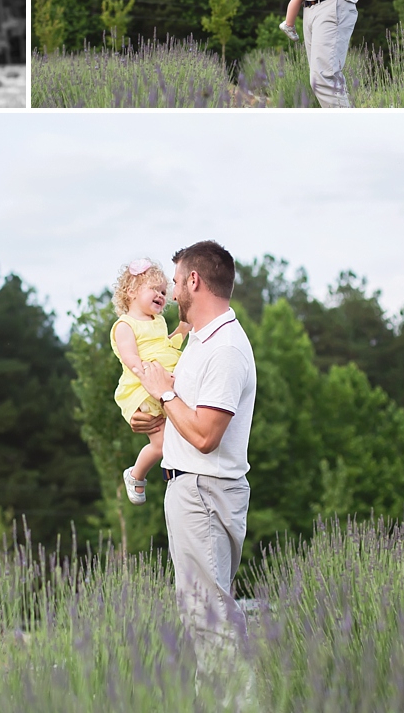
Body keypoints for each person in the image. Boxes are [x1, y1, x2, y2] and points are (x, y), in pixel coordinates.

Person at [129, 240, 256, 672]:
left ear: (195, 281)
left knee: (208, 623)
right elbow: (183, 415)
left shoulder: (225, 349)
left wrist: (164, 391)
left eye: (179, 281)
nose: (174, 293)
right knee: (206, 619)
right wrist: (152, 414)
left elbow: (205, 436)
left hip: (203, 492)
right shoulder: (202, 342)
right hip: (196, 490)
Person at [109, 258, 188, 505]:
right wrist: (151, 379)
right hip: (142, 389)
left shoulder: (159, 322)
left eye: (164, 291)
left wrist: (183, 328)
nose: (161, 295)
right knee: (162, 443)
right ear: (131, 291)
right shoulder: (125, 325)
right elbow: (130, 357)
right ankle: (135, 474)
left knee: (175, 437)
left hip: (161, 384)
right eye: (154, 289)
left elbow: (166, 345)